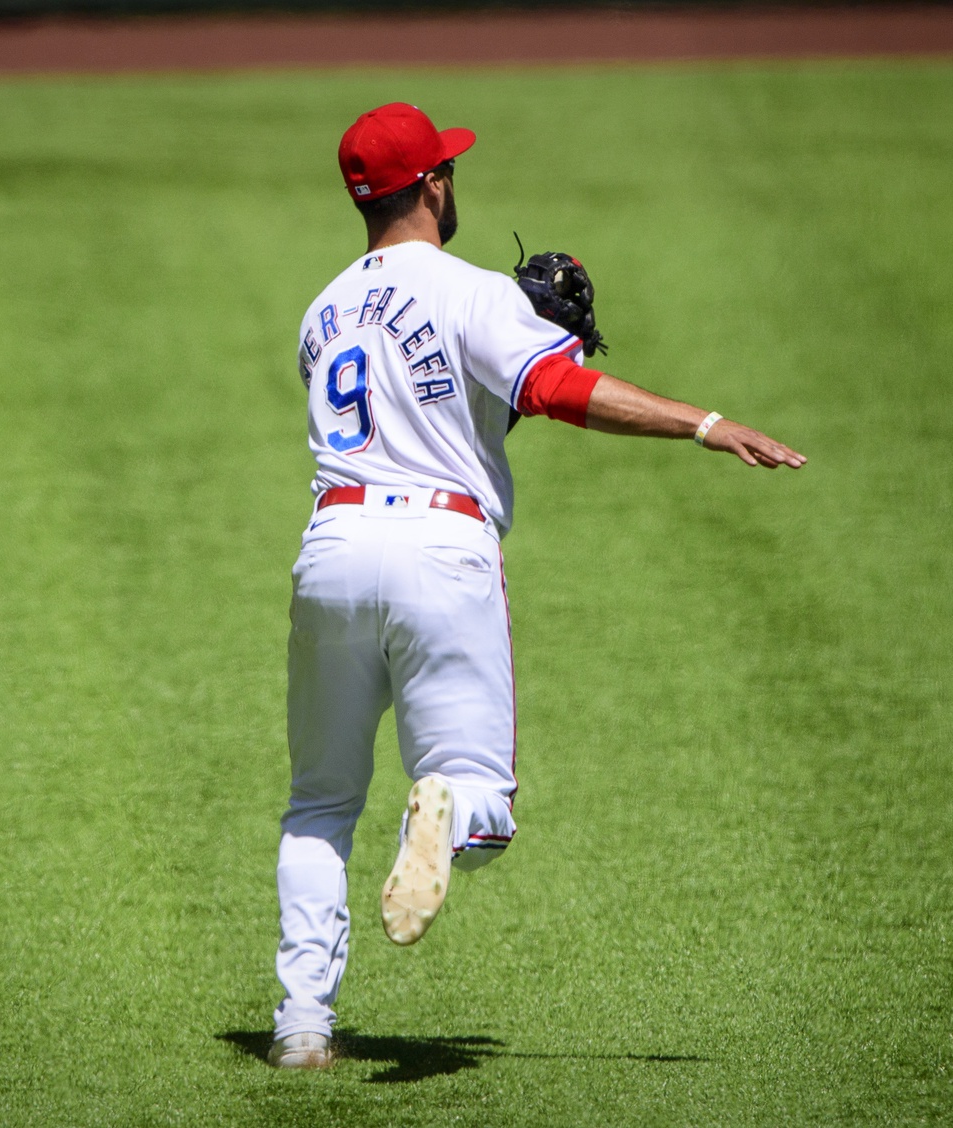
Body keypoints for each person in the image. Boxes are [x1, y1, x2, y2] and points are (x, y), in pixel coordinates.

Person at [269, 102, 806, 1069]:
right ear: (432, 185)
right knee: (481, 800)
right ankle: (447, 809)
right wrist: (704, 422)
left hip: (334, 544)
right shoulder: (473, 292)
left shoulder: (322, 311)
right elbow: (559, 392)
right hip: (441, 548)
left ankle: (302, 1028)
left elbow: (422, 406)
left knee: (317, 805)